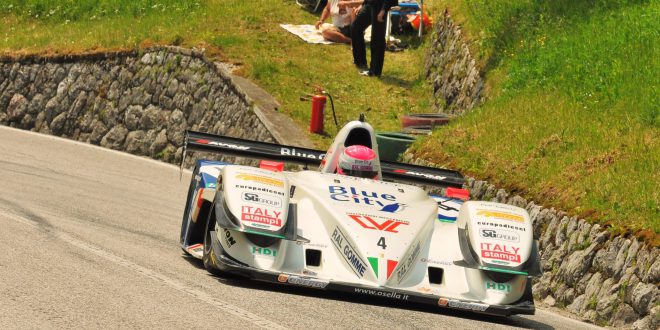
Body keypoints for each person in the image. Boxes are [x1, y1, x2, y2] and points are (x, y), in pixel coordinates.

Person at [340, 0, 398, 77]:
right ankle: (360, 62)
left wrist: (383, 10)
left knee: (377, 37)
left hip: (380, 6)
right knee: (355, 27)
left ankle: (375, 71)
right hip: (370, 4)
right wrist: (363, 4)